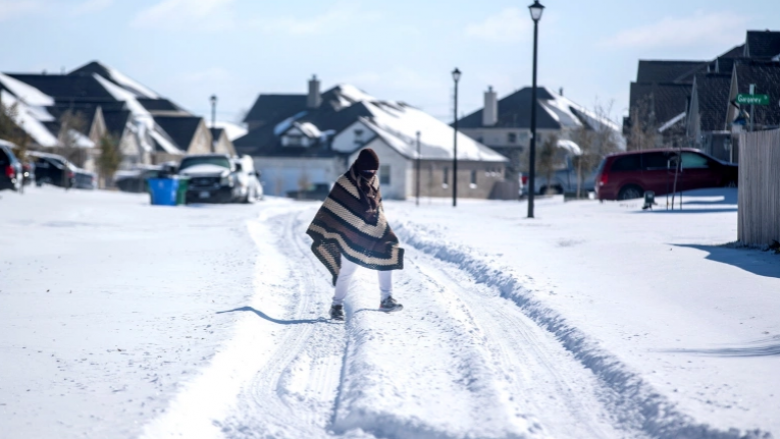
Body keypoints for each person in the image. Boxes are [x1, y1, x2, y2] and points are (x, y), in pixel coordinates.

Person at [306, 148, 404, 321]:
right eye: (368, 170)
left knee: (387, 254)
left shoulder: (374, 180)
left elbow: (378, 207)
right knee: (347, 271)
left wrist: (381, 225)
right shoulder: (344, 182)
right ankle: (336, 305)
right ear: (360, 166)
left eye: (374, 170)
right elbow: (335, 207)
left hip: (373, 230)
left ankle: (386, 299)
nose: (371, 173)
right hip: (350, 233)